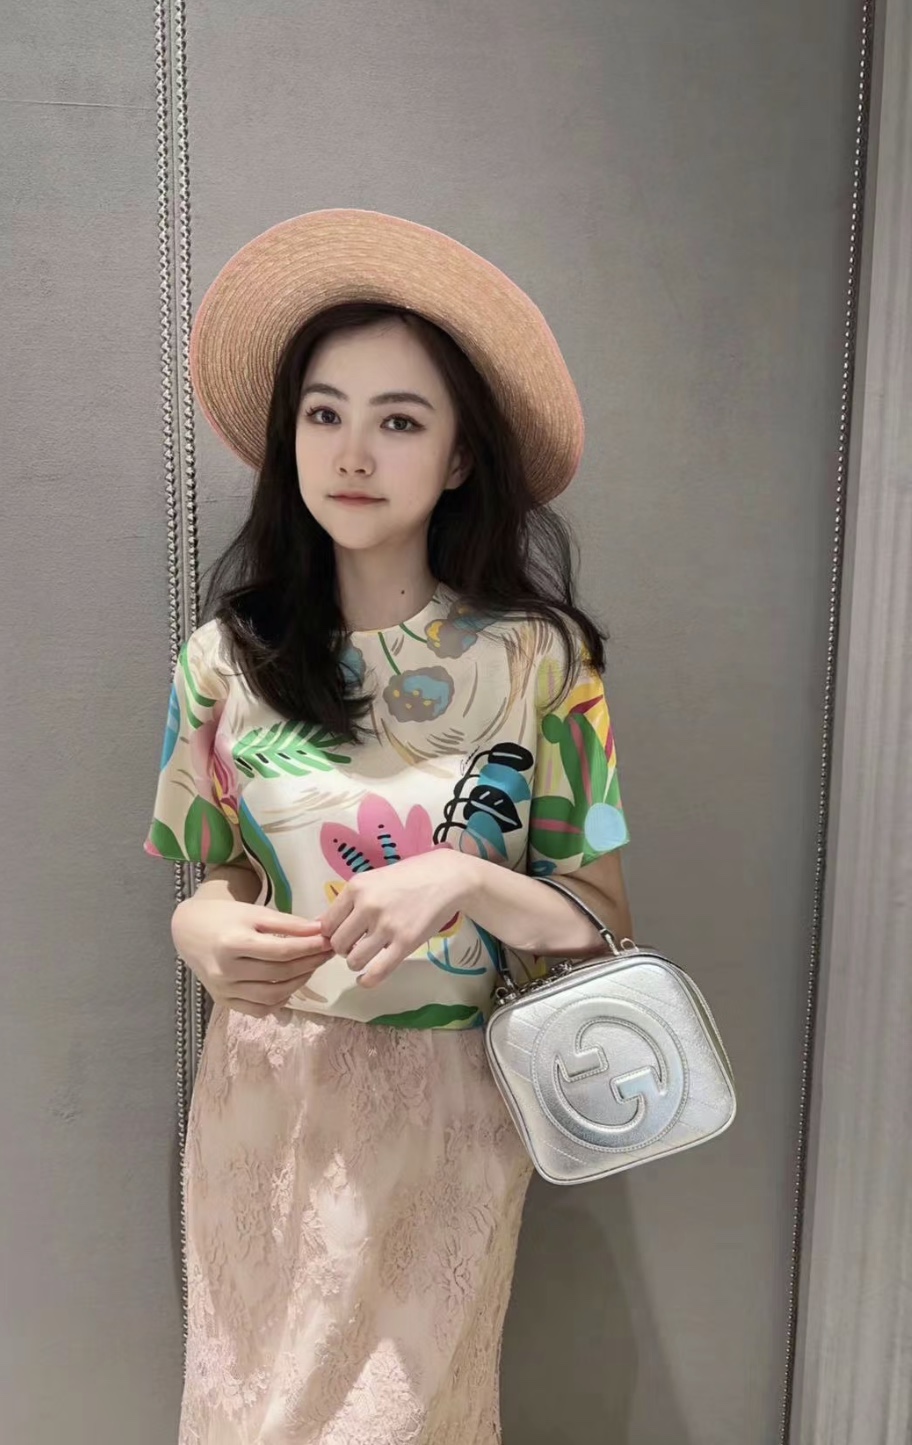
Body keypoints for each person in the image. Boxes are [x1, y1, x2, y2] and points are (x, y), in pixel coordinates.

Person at [144, 209, 633, 1444]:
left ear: (458, 457)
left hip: (444, 1110)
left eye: (399, 420)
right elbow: (211, 870)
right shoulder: (221, 661)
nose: (352, 451)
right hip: (264, 1095)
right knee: (247, 1412)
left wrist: (460, 878)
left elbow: (597, 924)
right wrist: (197, 929)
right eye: (324, 413)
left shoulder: (541, 663)